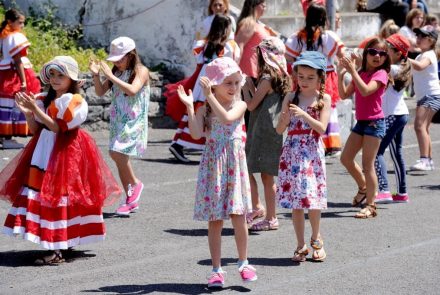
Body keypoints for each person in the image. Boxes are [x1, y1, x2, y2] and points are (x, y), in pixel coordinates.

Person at [0, 56, 121, 264]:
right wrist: (29, 114)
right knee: (46, 194)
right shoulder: (45, 100)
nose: (55, 79)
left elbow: (58, 127)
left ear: (71, 79)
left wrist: (36, 109)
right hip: (44, 150)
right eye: (53, 75)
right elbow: (39, 129)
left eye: (60, 75)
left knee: (59, 194)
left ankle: (57, 248)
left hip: (66, 152)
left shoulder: (75, 101)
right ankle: (60, 242)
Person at [177, 57, 257, 288]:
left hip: (233, 165)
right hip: (214, 168)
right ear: (214, 85)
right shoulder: (205, 108)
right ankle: (216, 269)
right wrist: (191, 106)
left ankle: (243, 262)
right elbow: (194, 133)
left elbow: (228, 118)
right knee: (215, 220)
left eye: (236, 82)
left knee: (238, 216)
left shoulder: (240, 104)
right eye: (228, 83)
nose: (233, 88)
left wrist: (209, 95)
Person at [275, 51, 331, 262]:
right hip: (291, 153)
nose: (304, 81)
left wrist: (305, 114)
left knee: (312, 199)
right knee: (296, 202)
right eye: (301, 77)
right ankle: (300, 245)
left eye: (310, 77)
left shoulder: (323, 98)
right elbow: (280, 130)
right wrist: (284, 118)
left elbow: (322, 128)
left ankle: (317, 239)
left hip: (311, 153)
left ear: (320, 78)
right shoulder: (290, 97)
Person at [166, 15, 240, 163]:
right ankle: (181, 144)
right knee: (210, 114)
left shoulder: (205, 45)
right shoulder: (229, 46)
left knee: (200, 113)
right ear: (227, 28)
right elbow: (232, 65)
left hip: (203, 83)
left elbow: (200, 62)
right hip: (217, 83)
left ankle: (182, 143)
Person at [89, 37, 149, 215]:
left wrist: (110, 76)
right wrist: (95, 75)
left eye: (120, 58)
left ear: (131, 55)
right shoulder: (116, 72)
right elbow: (100, 92)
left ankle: (135, 186)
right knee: (117, 155)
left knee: (117, 153)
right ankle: (131, 198)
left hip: (133, 120)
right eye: (114, 59)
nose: (117, 62)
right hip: (118, 120)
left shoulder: (141, 70)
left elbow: (132, 90)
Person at [242, 37, 291, 231]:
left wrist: (246, 87)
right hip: (271, 128)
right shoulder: (281, 75)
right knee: (265, 174)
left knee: (265, 175)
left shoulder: (267, 77)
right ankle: (261, 209)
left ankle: (270, 216)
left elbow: (252, 104)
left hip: (263, 128)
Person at [338, 37, 390, 218]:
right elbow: (344, 95)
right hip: (361, 122)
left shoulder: (381, 74)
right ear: (366, 53)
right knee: (345, 158)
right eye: (373, 52)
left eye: (382, 54)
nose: (378, 56)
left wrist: (353, 71)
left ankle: (371, 205)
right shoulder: (361, 73)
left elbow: (367, 90)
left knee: (368, 165)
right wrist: (340, 74)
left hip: (375, 123)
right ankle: (363, 187)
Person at [285, 4, 345, 156]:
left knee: (306, 104)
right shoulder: (328, 36)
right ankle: (330, 144)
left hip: (304, 75)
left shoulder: (298, 37)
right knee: (327, 107)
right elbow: (342, 54)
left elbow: (288, 58)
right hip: (325, 75)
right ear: (324, 18)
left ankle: (306, 135)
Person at [374, 34, 411, 203]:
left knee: (376, 152)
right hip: (400, 114)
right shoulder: (399, 68)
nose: (383, 51)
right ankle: (402, 192)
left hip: (392, 115)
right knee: (396, 153)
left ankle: (384, 190)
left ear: (398, 53)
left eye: (387, 49)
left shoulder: (392, 69)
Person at [0, 8, 41, 149]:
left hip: (4, 72)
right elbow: (18, 61)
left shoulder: (4, 36)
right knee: (13, 103)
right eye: (20, 22)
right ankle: (7, 137)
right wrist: (23, 81)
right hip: (13, 75)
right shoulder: (14, 37)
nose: (22, 26)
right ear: (10, 22)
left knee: (5, 103)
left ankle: (5, 137)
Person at [408, 25, 440, 171]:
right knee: (424, 128)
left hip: (430, 95)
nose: (418, 38)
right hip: (425, 96)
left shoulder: (429, 55)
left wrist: (405, 58)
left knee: (419, 126)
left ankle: (425, 160)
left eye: (422, 36)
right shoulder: (422, 55)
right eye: (418, 36)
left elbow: (420, 66)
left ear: (431, 40)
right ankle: (428, 160)